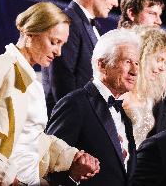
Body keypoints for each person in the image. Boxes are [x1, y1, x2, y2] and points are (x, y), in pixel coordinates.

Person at [0, 2, 99, 186]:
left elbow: (32, 137)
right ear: (30, 33)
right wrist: (4, 178)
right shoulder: (0, 68)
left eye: (62, 44)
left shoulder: (33, 82)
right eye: (54, 42)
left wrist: (70, 156)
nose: (58, 52)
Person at [46, 28, 140, 186]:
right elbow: (49, 166)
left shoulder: (124, 116)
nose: (135, 71)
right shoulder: (74, 104)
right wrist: (73, 176)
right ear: (102, 65)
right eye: (128, 61)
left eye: (137, 63)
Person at [42, 0, 119, 117]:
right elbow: (62, 80)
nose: (115, 3)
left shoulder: (94, 26)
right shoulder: (68, 22)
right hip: (70, 121)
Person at [118, 0, 166, 139]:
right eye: (152, 14)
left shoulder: (160, 48)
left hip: (155, 142)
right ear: (132, 13)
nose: (158, 22)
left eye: (159, 15)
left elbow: (165, 108)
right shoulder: (114, 48)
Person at [121, 26, 166, 147]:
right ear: (143, 56)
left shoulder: (150, 94)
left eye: (165, 62)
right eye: (159, 60)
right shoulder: (120, 91)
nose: (162, 67)